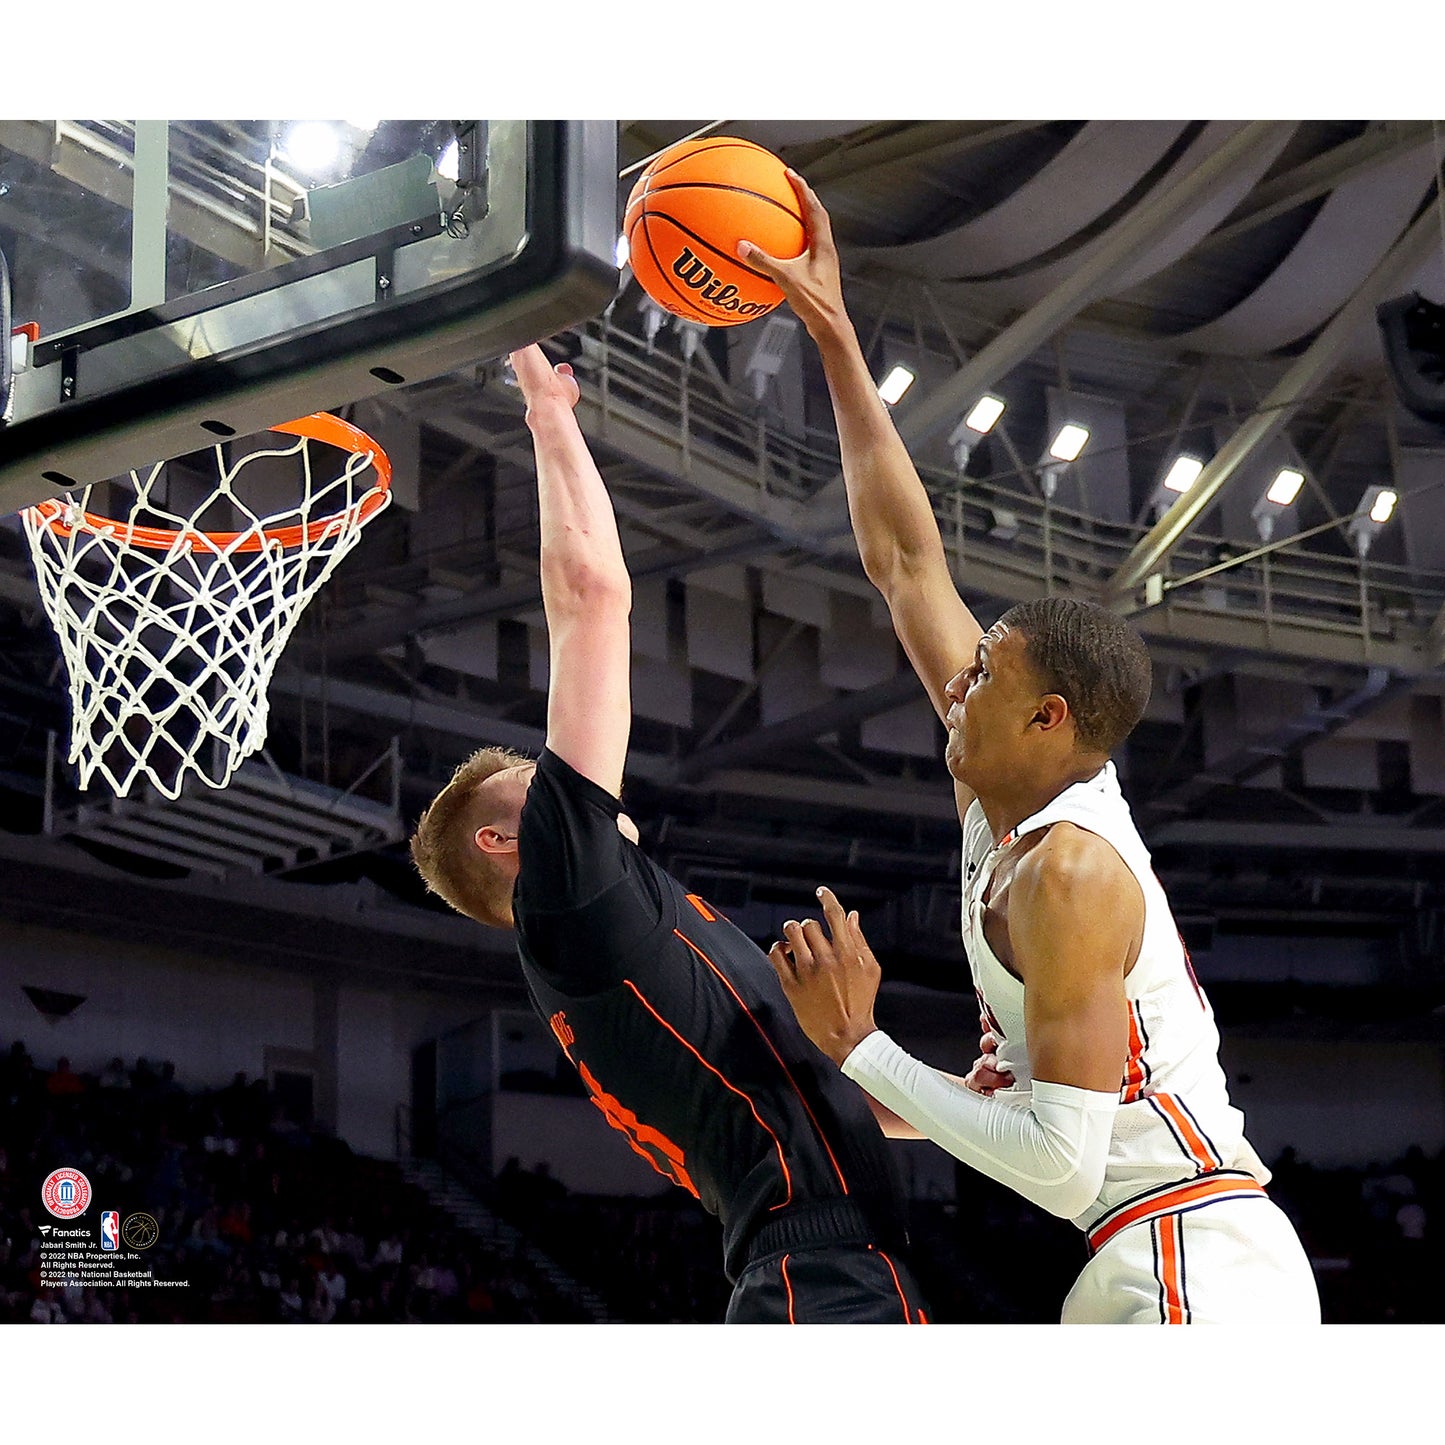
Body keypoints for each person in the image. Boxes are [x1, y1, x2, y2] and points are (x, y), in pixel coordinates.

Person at [742, 174, 1321, 1325]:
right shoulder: (1004, 802)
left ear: (1046, 715)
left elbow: (1056, 1162)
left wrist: (859, 1047)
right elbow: (905, 565)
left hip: (1188, 1252)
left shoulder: (1066, 868)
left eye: (983, 676)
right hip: (1150, 1250)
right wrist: (833, 334)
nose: (955, 682)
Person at [409, 344, 928, 1324]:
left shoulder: (627, 936)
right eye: (543, 777)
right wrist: (545, 406)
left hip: (825, 1279)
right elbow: (592, 599)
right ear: (501, 839)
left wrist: (971, 1106)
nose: (573, 776)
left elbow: (816, 1091)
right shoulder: (566, 895)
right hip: (818, 1283)